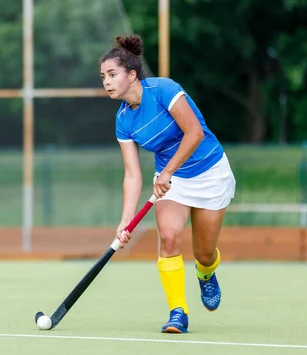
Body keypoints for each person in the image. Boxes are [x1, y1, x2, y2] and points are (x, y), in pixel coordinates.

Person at [99, 35, 236, 333]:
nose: (106, 82)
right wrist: (125, 222)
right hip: (173, 184)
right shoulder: (123, 121)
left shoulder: (163, 90)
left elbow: (194, 133)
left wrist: (167, 172)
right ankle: (178, 312)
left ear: (132, 74)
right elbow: (132, 175)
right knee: (170, 237)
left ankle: (206, 273)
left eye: (112, 75)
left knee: (204, 253)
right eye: (103, 77)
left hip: (210, 172)